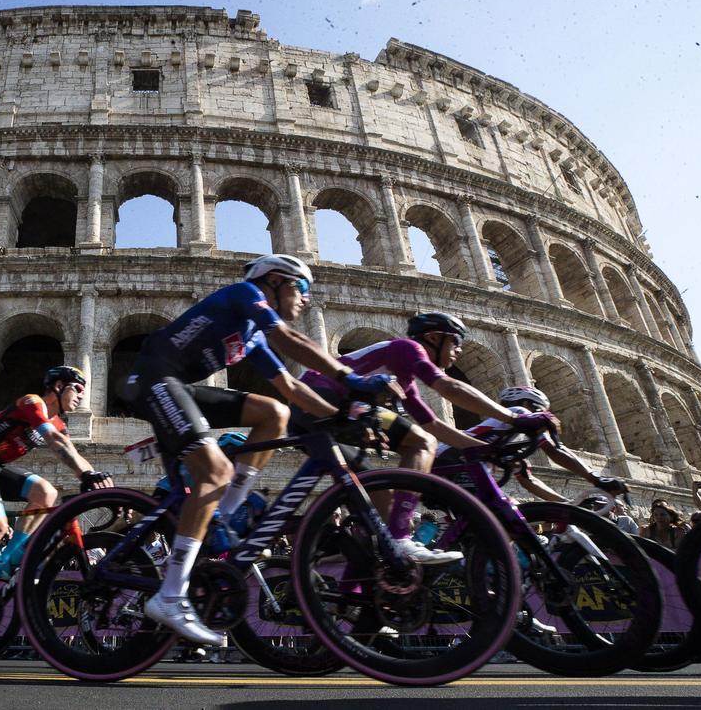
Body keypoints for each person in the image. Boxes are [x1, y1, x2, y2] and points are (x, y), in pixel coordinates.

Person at [120, 253, 393, 646]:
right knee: (215, 469)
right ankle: (171, 595)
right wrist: (352, 379)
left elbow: (294, 389)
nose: (306, 299)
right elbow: (290, 339)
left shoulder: (254, 337)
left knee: (275, 412)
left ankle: (226, 513)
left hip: (179, 386)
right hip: (151, 380)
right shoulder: (244, 293)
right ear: (277, 282)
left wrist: (344, 417)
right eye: (301, 288)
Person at [296, 313, 549, 563]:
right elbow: (449, 388)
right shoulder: (407, 348)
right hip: (323, 399)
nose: (459, 351)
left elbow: (434, 425)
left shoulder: (405, 381)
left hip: (314, 414)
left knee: (378, 500)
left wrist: (488, 451)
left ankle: (373, 570)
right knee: (421, 444)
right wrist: (513, 418)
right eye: (455, 342)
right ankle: (401, 537)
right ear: (433, 337)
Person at [0, 365, 112, 641]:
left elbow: (69, 449)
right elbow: (54, 442)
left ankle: (7, 562)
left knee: (46, 493)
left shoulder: (60, 423)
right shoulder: (33, 402)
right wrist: (86, 474)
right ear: (57, 386)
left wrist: (100, 482)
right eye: (76, 389)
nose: (81, 396)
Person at [435, 385, 629, 504]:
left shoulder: (504, 445)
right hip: (450, 460)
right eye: (541, 411)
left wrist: (570, 505)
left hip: (451, 463)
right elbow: (556, 451)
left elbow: (530, 481)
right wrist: (596, 479)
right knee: (504, 514)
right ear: (531, 406)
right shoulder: (519, 411)